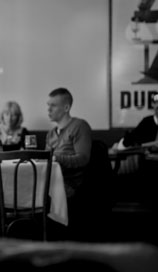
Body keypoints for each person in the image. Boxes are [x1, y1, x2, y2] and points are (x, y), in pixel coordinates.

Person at [45, 87, 92, 239]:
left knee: (39, 196)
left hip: (71, 183)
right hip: (52, 181)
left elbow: (83, 159)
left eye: (53, 105)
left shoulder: (79, 126)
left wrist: (56, 157)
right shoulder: (51, 133)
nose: (48, 109)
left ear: (66, 107)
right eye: (48, 105)